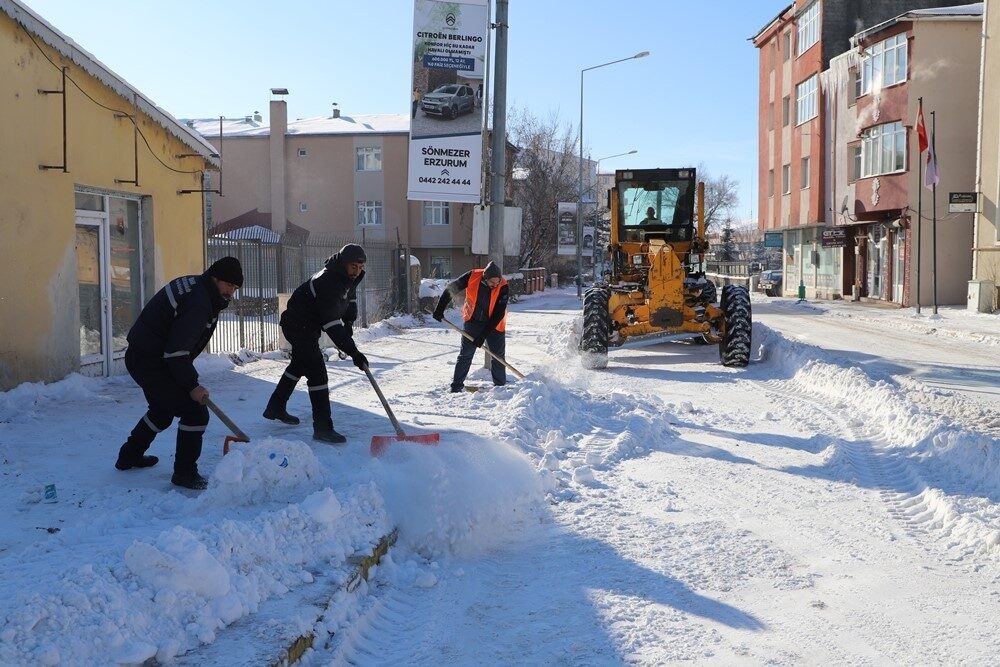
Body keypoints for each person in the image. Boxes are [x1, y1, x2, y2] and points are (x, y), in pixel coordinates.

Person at [115, 257, 243, 490]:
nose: (231, 292)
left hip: (148, 355)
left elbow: (176, 348)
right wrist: (192, 385)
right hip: (150, 360)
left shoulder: (199, 288)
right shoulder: (199, 302)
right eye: (229, 286)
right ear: (216, 278)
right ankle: (185, 473)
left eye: (235, 288)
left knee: (162, 411)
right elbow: (177, 352)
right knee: (195, 412)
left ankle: (129, 455)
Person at [263, 244, 369, 443]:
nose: (357, 271)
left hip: (308, 325)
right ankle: (322, 428)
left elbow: (349, 300)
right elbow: (331, 324)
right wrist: (354, 353)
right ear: (344, 263)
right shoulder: (328, 281)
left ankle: (275, 407)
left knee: (300, 364)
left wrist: (348, 321)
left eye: (360, 267)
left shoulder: (347, 278)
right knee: (317, 372)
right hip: (297, 324)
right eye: (353, 266)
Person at [432, 261, 508, 393]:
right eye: (492, 283)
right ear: (485, 278)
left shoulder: (503, 285)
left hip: (495, 324)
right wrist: (439, 309)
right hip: (473, 321)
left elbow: (498, 313)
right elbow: (451, 288)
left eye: (497, 282)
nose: (495, 285)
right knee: (466, 354)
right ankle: (456, 386)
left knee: (498, 356)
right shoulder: (472, 276)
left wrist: (483, 336)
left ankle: (500, 388)